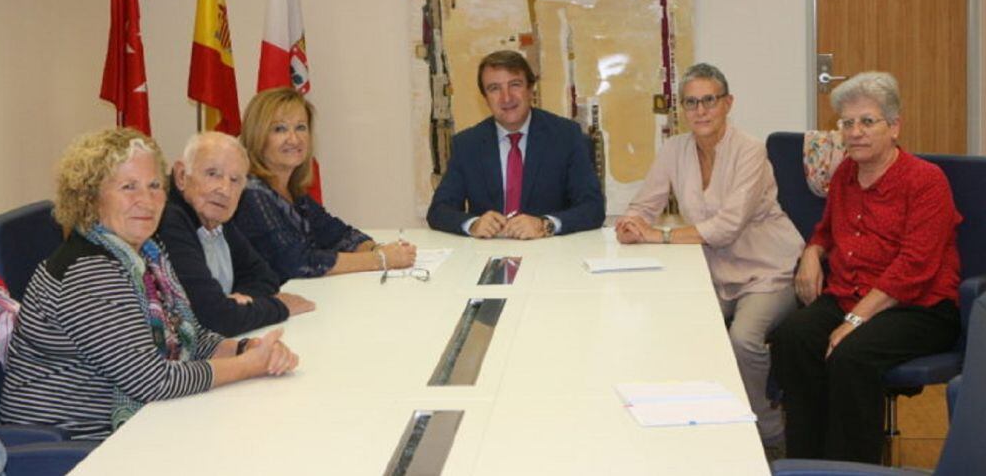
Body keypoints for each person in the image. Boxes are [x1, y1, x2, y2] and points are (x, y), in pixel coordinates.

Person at [0, 128, 299, 440]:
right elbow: (153, 381)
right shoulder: (88, 272)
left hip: (138, 426)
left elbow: (191, 337)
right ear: (91, 197)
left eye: (155, 185)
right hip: (77, 448)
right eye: (129, 187)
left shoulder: (149, 253)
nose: (147, 200)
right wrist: (250, 366)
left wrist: (245, 348)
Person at [771, 72, 962, 463]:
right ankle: (807, 464)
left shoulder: (927, 181)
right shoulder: (845, 174)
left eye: (867, 121)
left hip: (919, 307)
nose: (855, 132)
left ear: (894, 127)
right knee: (793, 338)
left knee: (851, 356)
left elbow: (915, 267)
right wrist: (812, 253)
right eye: (847, 123)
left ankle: (852, 469)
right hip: (851, 294)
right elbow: (825, 230)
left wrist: (854, 321)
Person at [615, 63, 803, 453]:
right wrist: (631, 223)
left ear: (727, 103)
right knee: (683, 330)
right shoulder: (675, 149)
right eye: (691, 103)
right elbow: (645, 203)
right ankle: (705, 428)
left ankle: (768, 432)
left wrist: (658, 235)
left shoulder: (750, 150)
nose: (700, 111)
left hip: (769, 268)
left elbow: (727, 226)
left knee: (743, 340)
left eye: (709, 101)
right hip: (716, 271)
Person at [232, 87, 416, 280]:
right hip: (263, 304)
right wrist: (380, 259)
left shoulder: (293, 192)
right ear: (257, 136)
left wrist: (377, 248)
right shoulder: (251, 193)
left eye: (301, 127)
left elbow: (338, 235)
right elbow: (297, 262)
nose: (294, 139)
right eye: (280, 129)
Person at [427, 50, 605, 239]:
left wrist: (545, 225)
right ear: (485, 98)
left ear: (530, 89)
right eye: (494, 88)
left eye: (515, 85)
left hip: (550, 255)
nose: (506, 98)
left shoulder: (566, 136)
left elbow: (593, 208)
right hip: (487, 254)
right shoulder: (467, 144)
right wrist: (472, 224)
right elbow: (439, 210)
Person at [157, 131, 315, 337]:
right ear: (181, 176)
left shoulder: (217, 215)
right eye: (212, 174)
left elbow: (265, 277)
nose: (224, 189)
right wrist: (278, 307)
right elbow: (214, 318)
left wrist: (237, 302)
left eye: (235, 180)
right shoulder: (169, 220)